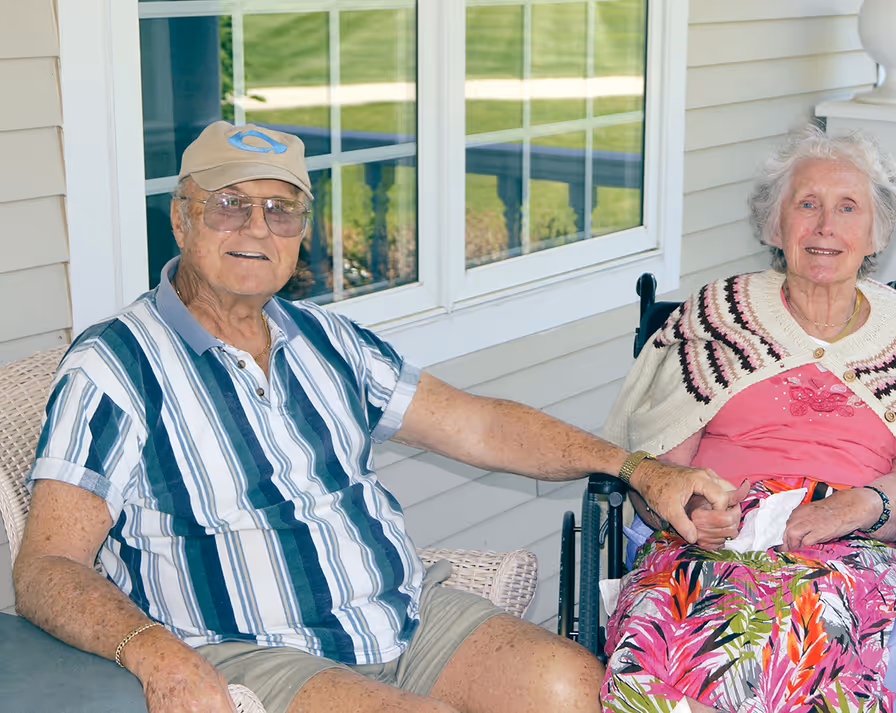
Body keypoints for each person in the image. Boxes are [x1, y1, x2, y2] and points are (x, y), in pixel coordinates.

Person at [11, 121, 738, 713]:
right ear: (181, 216)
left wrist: (636, 465)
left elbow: (481, 425)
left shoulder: (325, 339)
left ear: (301, 230)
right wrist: (151, 649)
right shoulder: (116, 366)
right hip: (251, 648)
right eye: (229, 203)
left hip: (402, 617)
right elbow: (46, 564)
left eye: (280, 208)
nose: (256, 227)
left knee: (577, 689)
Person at [600, 125, 896, 712]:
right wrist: (686, 511)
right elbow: (660, 464)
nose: (826, 227)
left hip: (844, 544)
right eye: (807, 205)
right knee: (657, 643)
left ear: (875, 232)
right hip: (707, 538)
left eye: (847, 208)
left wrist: (854, 507)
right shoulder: (720, 318)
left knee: (793, 636)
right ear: (774, 225)